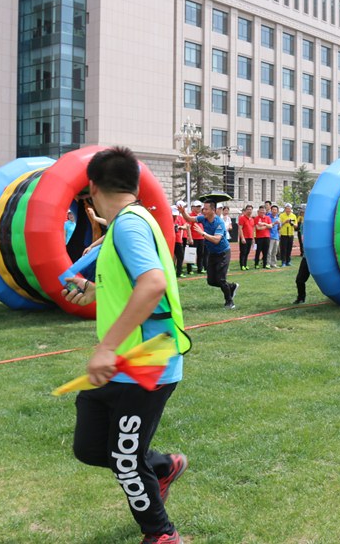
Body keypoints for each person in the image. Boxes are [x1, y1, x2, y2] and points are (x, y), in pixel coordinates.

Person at [60, 146, 190, 544]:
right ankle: (164, 466)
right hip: (123, 360)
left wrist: (106, 348)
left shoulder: (131, 226)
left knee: (125, 458)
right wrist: (96, 291)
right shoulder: (126, 224)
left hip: (146, 360)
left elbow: (152, 285)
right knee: (90, 447)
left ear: (92, 187)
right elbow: (131, 284)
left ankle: (161, 534)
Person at [179, 200, 239, 309]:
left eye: (206, 209)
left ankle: (229, 302)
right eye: (203, 209)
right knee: (211, 281)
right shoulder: (203, 218)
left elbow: (216, 240)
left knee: (221, 279)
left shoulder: (219, 222)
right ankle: (231, 286)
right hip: (213, 253)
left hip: (223, 252)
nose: (203, 211)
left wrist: (203, 233)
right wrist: (183, 212)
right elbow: (189, 219)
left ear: (213, 210)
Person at [293, 206, 311, 304]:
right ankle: (301, 298)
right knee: (299, 280)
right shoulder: (303, 224)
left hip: (317, 257)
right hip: (307, 257)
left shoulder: (314, 224)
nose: (302, 213)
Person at [187, 201, 205, 274]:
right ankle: (189, 269)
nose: (198, 208)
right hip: (194, 238)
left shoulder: (201, 216)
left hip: (201, 238)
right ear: (193, 207)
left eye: (199, 207)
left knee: (200, 254)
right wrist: (190, 238)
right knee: (191, 254)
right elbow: (188, 227)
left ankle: (200, 268)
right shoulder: (190, 216)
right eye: (197, 207)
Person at [237, 204, 254, 270]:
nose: (249, 211)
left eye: (250, 209)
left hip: (250, 237)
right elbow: (240, 228)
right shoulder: (242, 218)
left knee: (247, 252)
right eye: (248, 209)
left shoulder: (252, 219)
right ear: (246, 210)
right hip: (244, 237)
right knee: (243, 252)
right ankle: (242, 265)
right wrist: (242, 237)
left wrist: (252, 238)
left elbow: (252, 229)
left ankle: (245, 264)